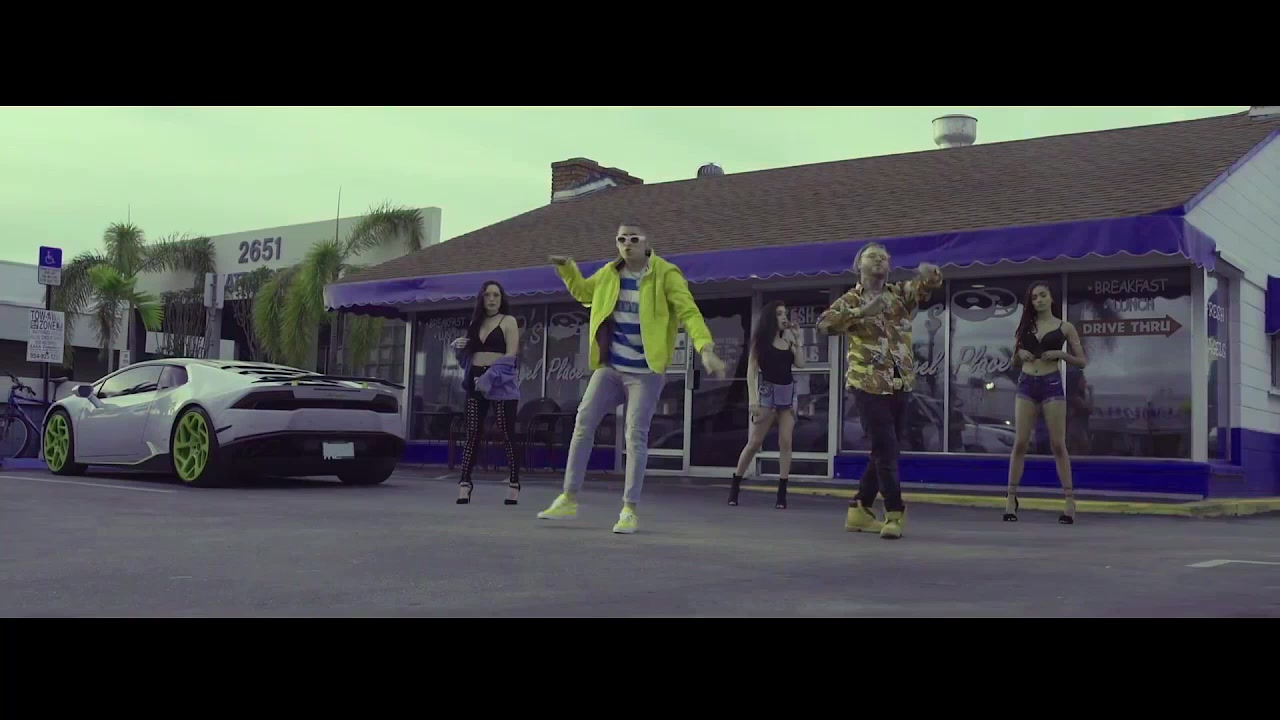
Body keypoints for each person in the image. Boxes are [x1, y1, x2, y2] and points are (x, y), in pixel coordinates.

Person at [536, 223, 727, 534]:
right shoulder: (609, 273)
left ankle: (629, 510)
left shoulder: (666, 274)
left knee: (634, 434)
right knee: (583, 422)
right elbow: (584, 293)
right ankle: (568, 498)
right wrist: (567, 267)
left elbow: (689, 312)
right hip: (610, 368)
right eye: (621, 239)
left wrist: (705, 349)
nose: (627, 244)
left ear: (646, 242)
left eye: (634, 239)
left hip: (646, 372)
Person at [816, 242, 941, 540]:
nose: (880, 261)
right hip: (867, 384)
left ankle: (859, 508)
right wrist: (861, 311)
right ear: (859, 264)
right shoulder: (850, 299)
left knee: (887, 449)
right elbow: (823, 325)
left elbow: (922, 288)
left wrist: (931, 276)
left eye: (884, 258)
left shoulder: (898, 294)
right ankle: (895, 513)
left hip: (900, 382)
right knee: (885, 449)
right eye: (873, 257)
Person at [1004, 281, 1087, 524]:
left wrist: (1061, 354)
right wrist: (1019, 354)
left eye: (1042, 295)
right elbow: (1013, 361)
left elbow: (1082, 361)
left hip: (1051, 383)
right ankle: (1010, 498)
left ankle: (1069, 500)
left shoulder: (1065, 327)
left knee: (1057, 443)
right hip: (1026, 383)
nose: (1038, 300)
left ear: (1051, 298)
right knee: (1020, 442)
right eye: (1034, 297)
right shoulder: (1025, 326)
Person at [728, 300, 806, 509]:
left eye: (785, 313)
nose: (784, 317)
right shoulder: (760, 342)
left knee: (786, 442)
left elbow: (800, 363)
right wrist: (753, 400)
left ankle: (782, 493)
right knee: (755, 442)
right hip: (767, 394)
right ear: (771, 318)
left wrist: (798, 340)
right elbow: (751, 371)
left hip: (788, 394)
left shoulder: (788, 340)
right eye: (779, 314)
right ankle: (735, 484)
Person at [452, 280, 522, 506]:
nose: (491, 299)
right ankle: (465, 483)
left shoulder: (508, 321)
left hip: (500, 381)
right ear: (481, 298)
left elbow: (511, 357)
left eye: (496, 295)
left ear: (502, 299)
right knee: (472, 432)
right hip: (474, 379)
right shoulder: (475, 323)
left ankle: (514, 483)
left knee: (506, 432)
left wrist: (490, 377)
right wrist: (458, 347)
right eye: (487, 295)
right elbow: (466, 360)